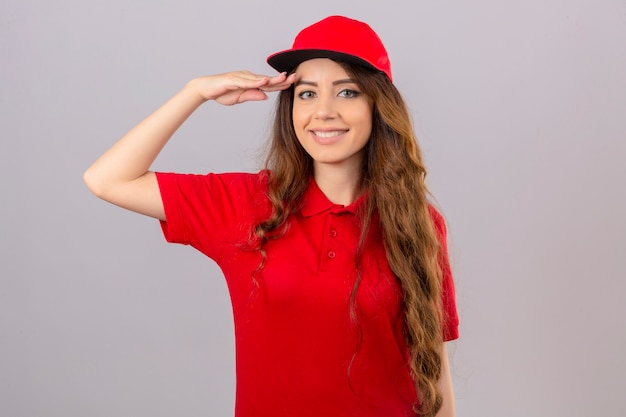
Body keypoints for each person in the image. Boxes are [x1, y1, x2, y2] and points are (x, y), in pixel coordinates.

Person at [84, 15, 459, 417]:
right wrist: (195, 92)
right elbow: (108, 179)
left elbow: (432, 367)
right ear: (291, 106)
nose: (324, 111)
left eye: (347, 92)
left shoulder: (416, 220)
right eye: (307, 93)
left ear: (377, 105)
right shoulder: (247, 205)